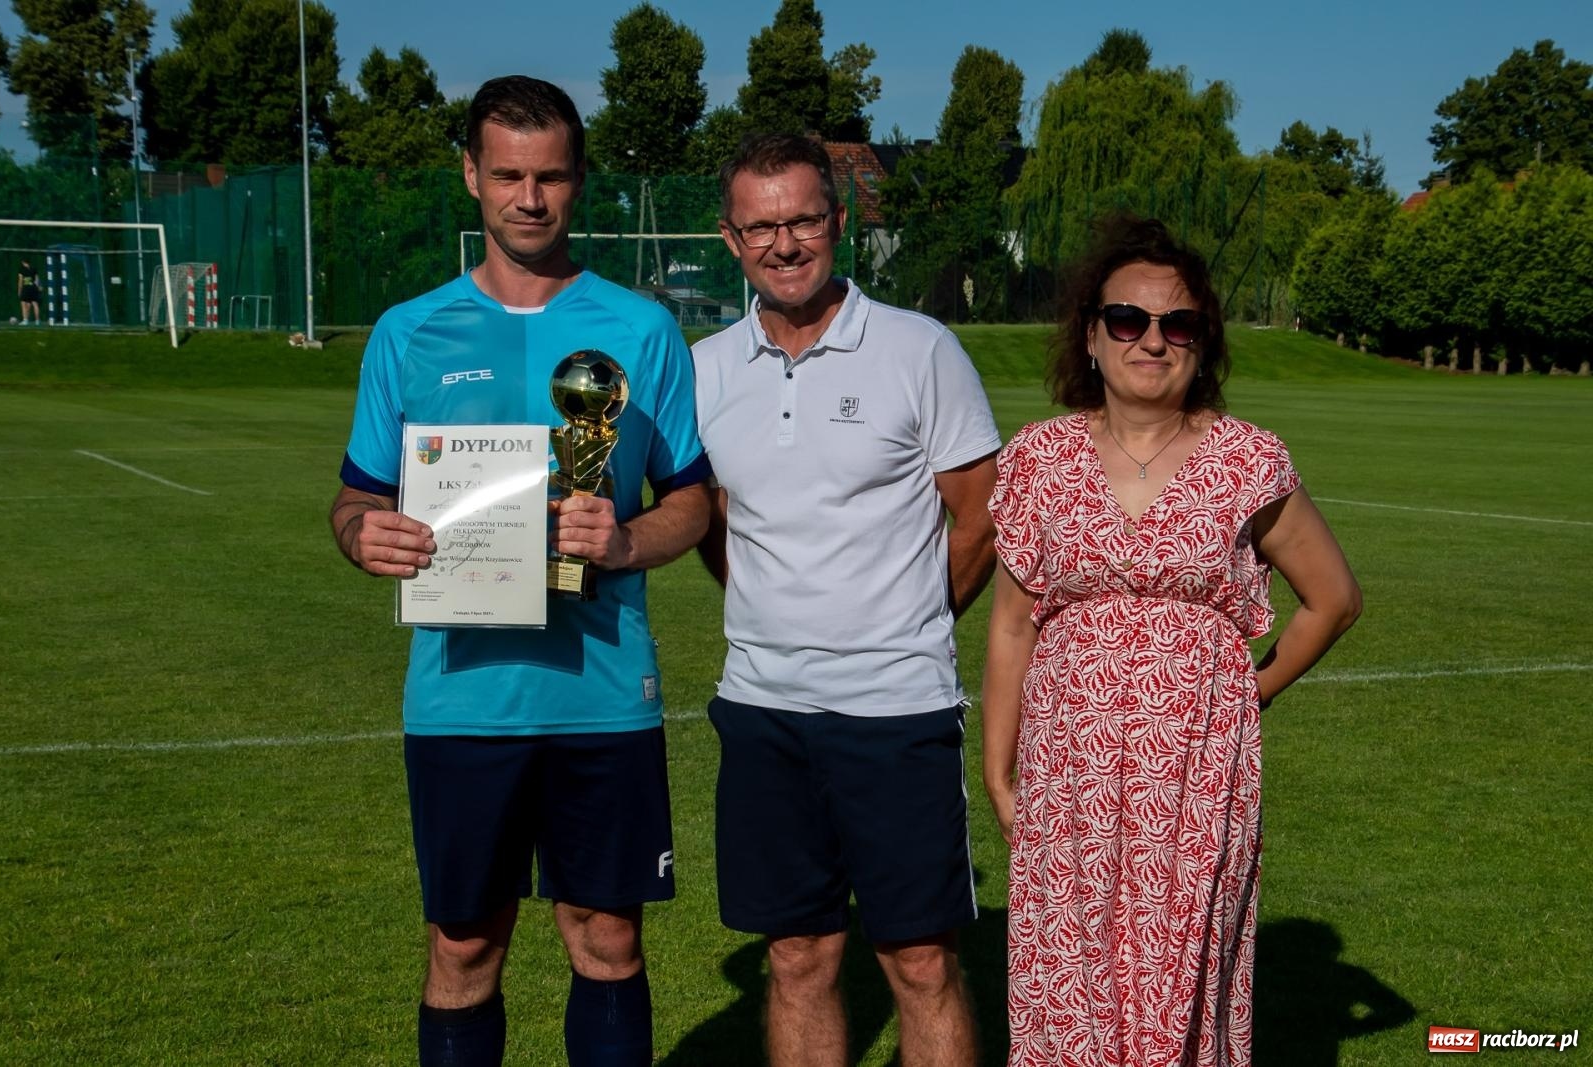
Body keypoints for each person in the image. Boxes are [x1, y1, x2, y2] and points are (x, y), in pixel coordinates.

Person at [329, 75, 710, 1067]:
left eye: (549, 177)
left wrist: (626, 540)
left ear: (579, 182)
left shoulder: (643, 330)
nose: (528, 199)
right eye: (507, 174)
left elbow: (695, 499)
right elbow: (357, 495)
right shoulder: (409, 332)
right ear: (470, 175)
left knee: (608, 938)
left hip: (602, 692)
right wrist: (365, 534)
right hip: (461, 695)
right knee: (463, 944)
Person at [981, 215, 1362, 1066]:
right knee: (1068, 974)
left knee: (1179, 962)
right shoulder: (1038, 458)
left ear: (1203, 343)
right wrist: (997, 768)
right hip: (1067, 769)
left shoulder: (1246, 460)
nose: (1152, 340)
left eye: (1177, 324)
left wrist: (1247, 691)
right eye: (1128, 319)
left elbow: (1332, 599)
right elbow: (1011, 623)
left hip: (1195, 773)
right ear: (1091, 334)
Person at [692, 132, 1002, 1067]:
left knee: (919, 960)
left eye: (802, 221)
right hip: (761, 709)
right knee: (796, 956)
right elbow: (712, 522)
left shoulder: (920, 349)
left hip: (895, 708)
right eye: (761, 226)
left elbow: (981, 517)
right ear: (729, 237)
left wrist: (901, 621)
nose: (784, 244)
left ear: (836, 222)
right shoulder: (704, 367)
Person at [18, 260, 42, 324]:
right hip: (33, 288)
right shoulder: (34, 269)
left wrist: (19, 290)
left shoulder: (22, 270)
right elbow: (37, 280)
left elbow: (20, 281)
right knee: (34, 304)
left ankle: (25, 320)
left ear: (23, 262)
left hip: (26, 288)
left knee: (23, 304)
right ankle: (37, 320)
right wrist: (38, 287)